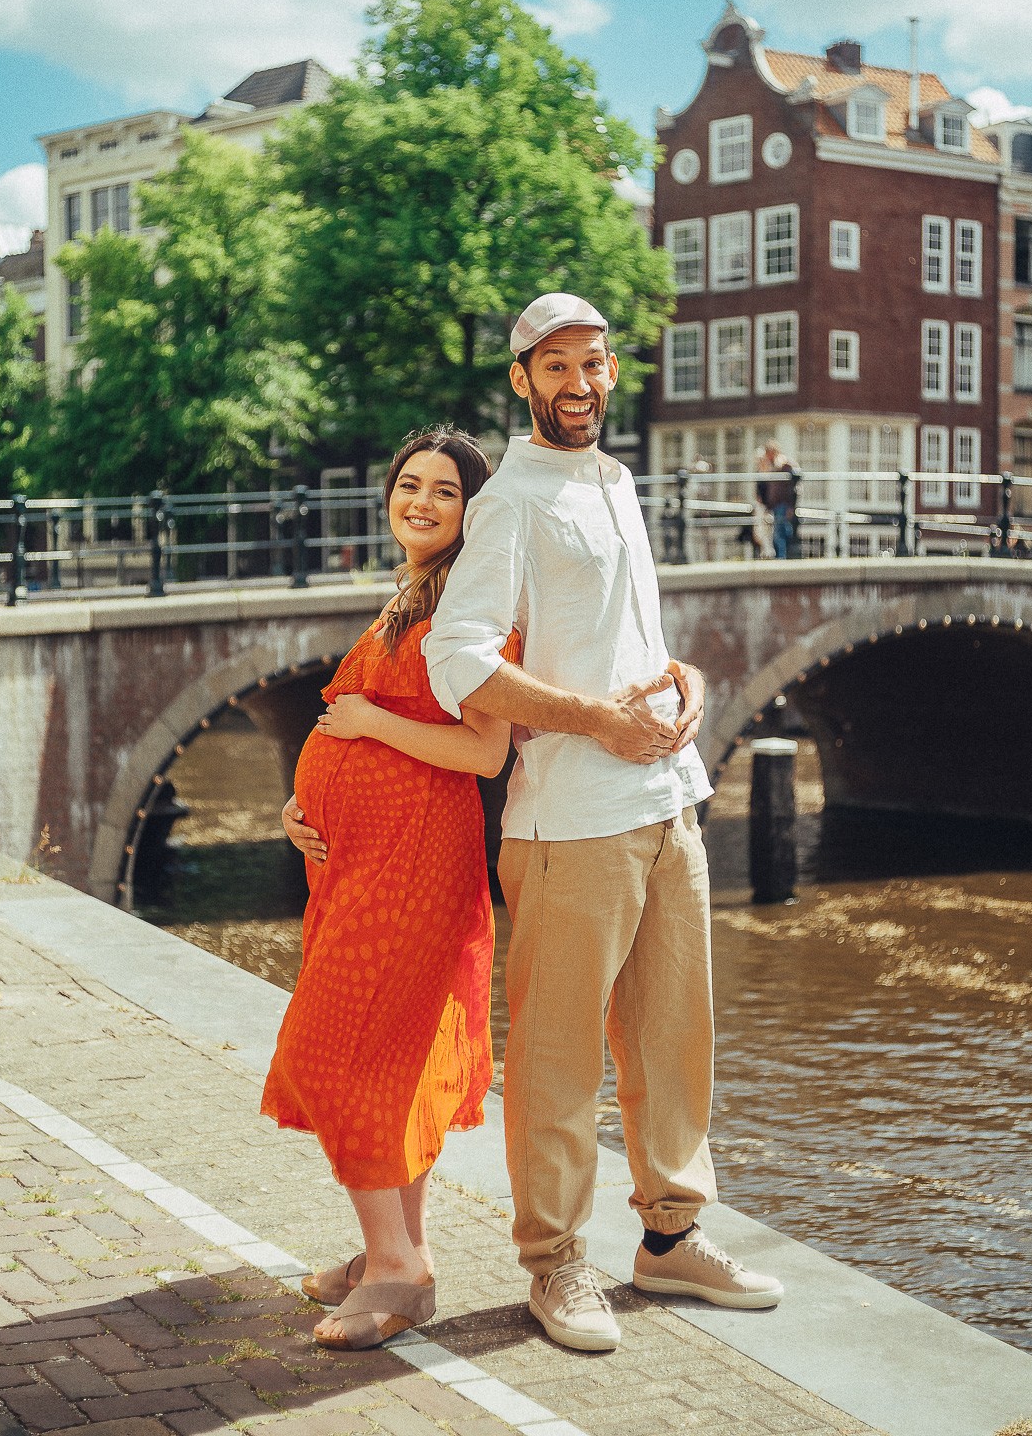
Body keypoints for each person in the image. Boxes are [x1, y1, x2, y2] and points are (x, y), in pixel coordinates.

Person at [420, 293, 783, 1352]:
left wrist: (690, 679)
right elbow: (458, 657)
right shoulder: (514, 499)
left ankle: (669, 1240)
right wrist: (590, 721)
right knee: (559, 1056)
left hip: (669, 803)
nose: (579, 384)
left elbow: (625, 634)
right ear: (523, 380)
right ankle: (555, 1264)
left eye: (595, 364)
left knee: (676, 1040)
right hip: (570, 820)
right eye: (557, 367)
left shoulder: (618, 482)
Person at [262, 428, 519, 1351]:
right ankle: (395, 1256)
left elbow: (483, 750)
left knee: (341, 1051)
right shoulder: (413, 592)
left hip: (414, 861)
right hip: (360, 859)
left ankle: (398, 1267)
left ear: (471, 511)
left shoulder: (477, 605)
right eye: (407, 484)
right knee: (396, 1054)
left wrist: (365, 722)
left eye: (443, 492)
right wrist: (306, 807)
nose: (419, 501)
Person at [756, 440, 798, 560]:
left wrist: (791, 506)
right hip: (774, 505)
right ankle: (781, 557)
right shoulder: (771, 465)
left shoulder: (784, 464)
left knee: (780, 533)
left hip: (782, 504)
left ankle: (782, 558)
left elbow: (793, 486)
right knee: (777, 532)